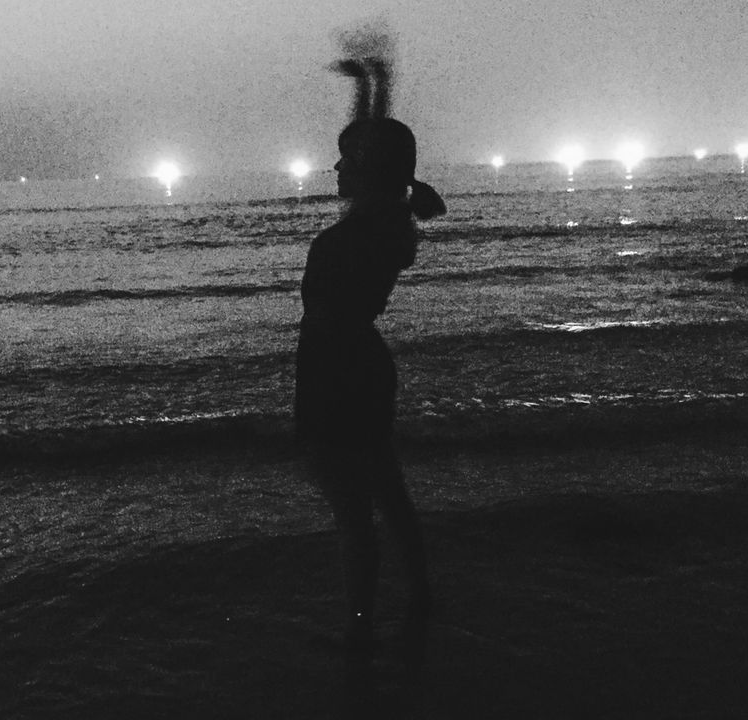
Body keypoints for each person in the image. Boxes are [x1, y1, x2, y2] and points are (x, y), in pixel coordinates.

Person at [296, 32, 446, 687]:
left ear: (364, 171)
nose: (334, 169)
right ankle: (419, 595)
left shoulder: (354, 235)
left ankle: (360, 627)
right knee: (386, 492)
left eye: (344, 162)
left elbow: (322, 326)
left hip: (339, 374)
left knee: (354, 514)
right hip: (365, 366)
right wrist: (370, 85)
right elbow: (374, 147)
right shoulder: (386, 220)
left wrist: (373, 85)